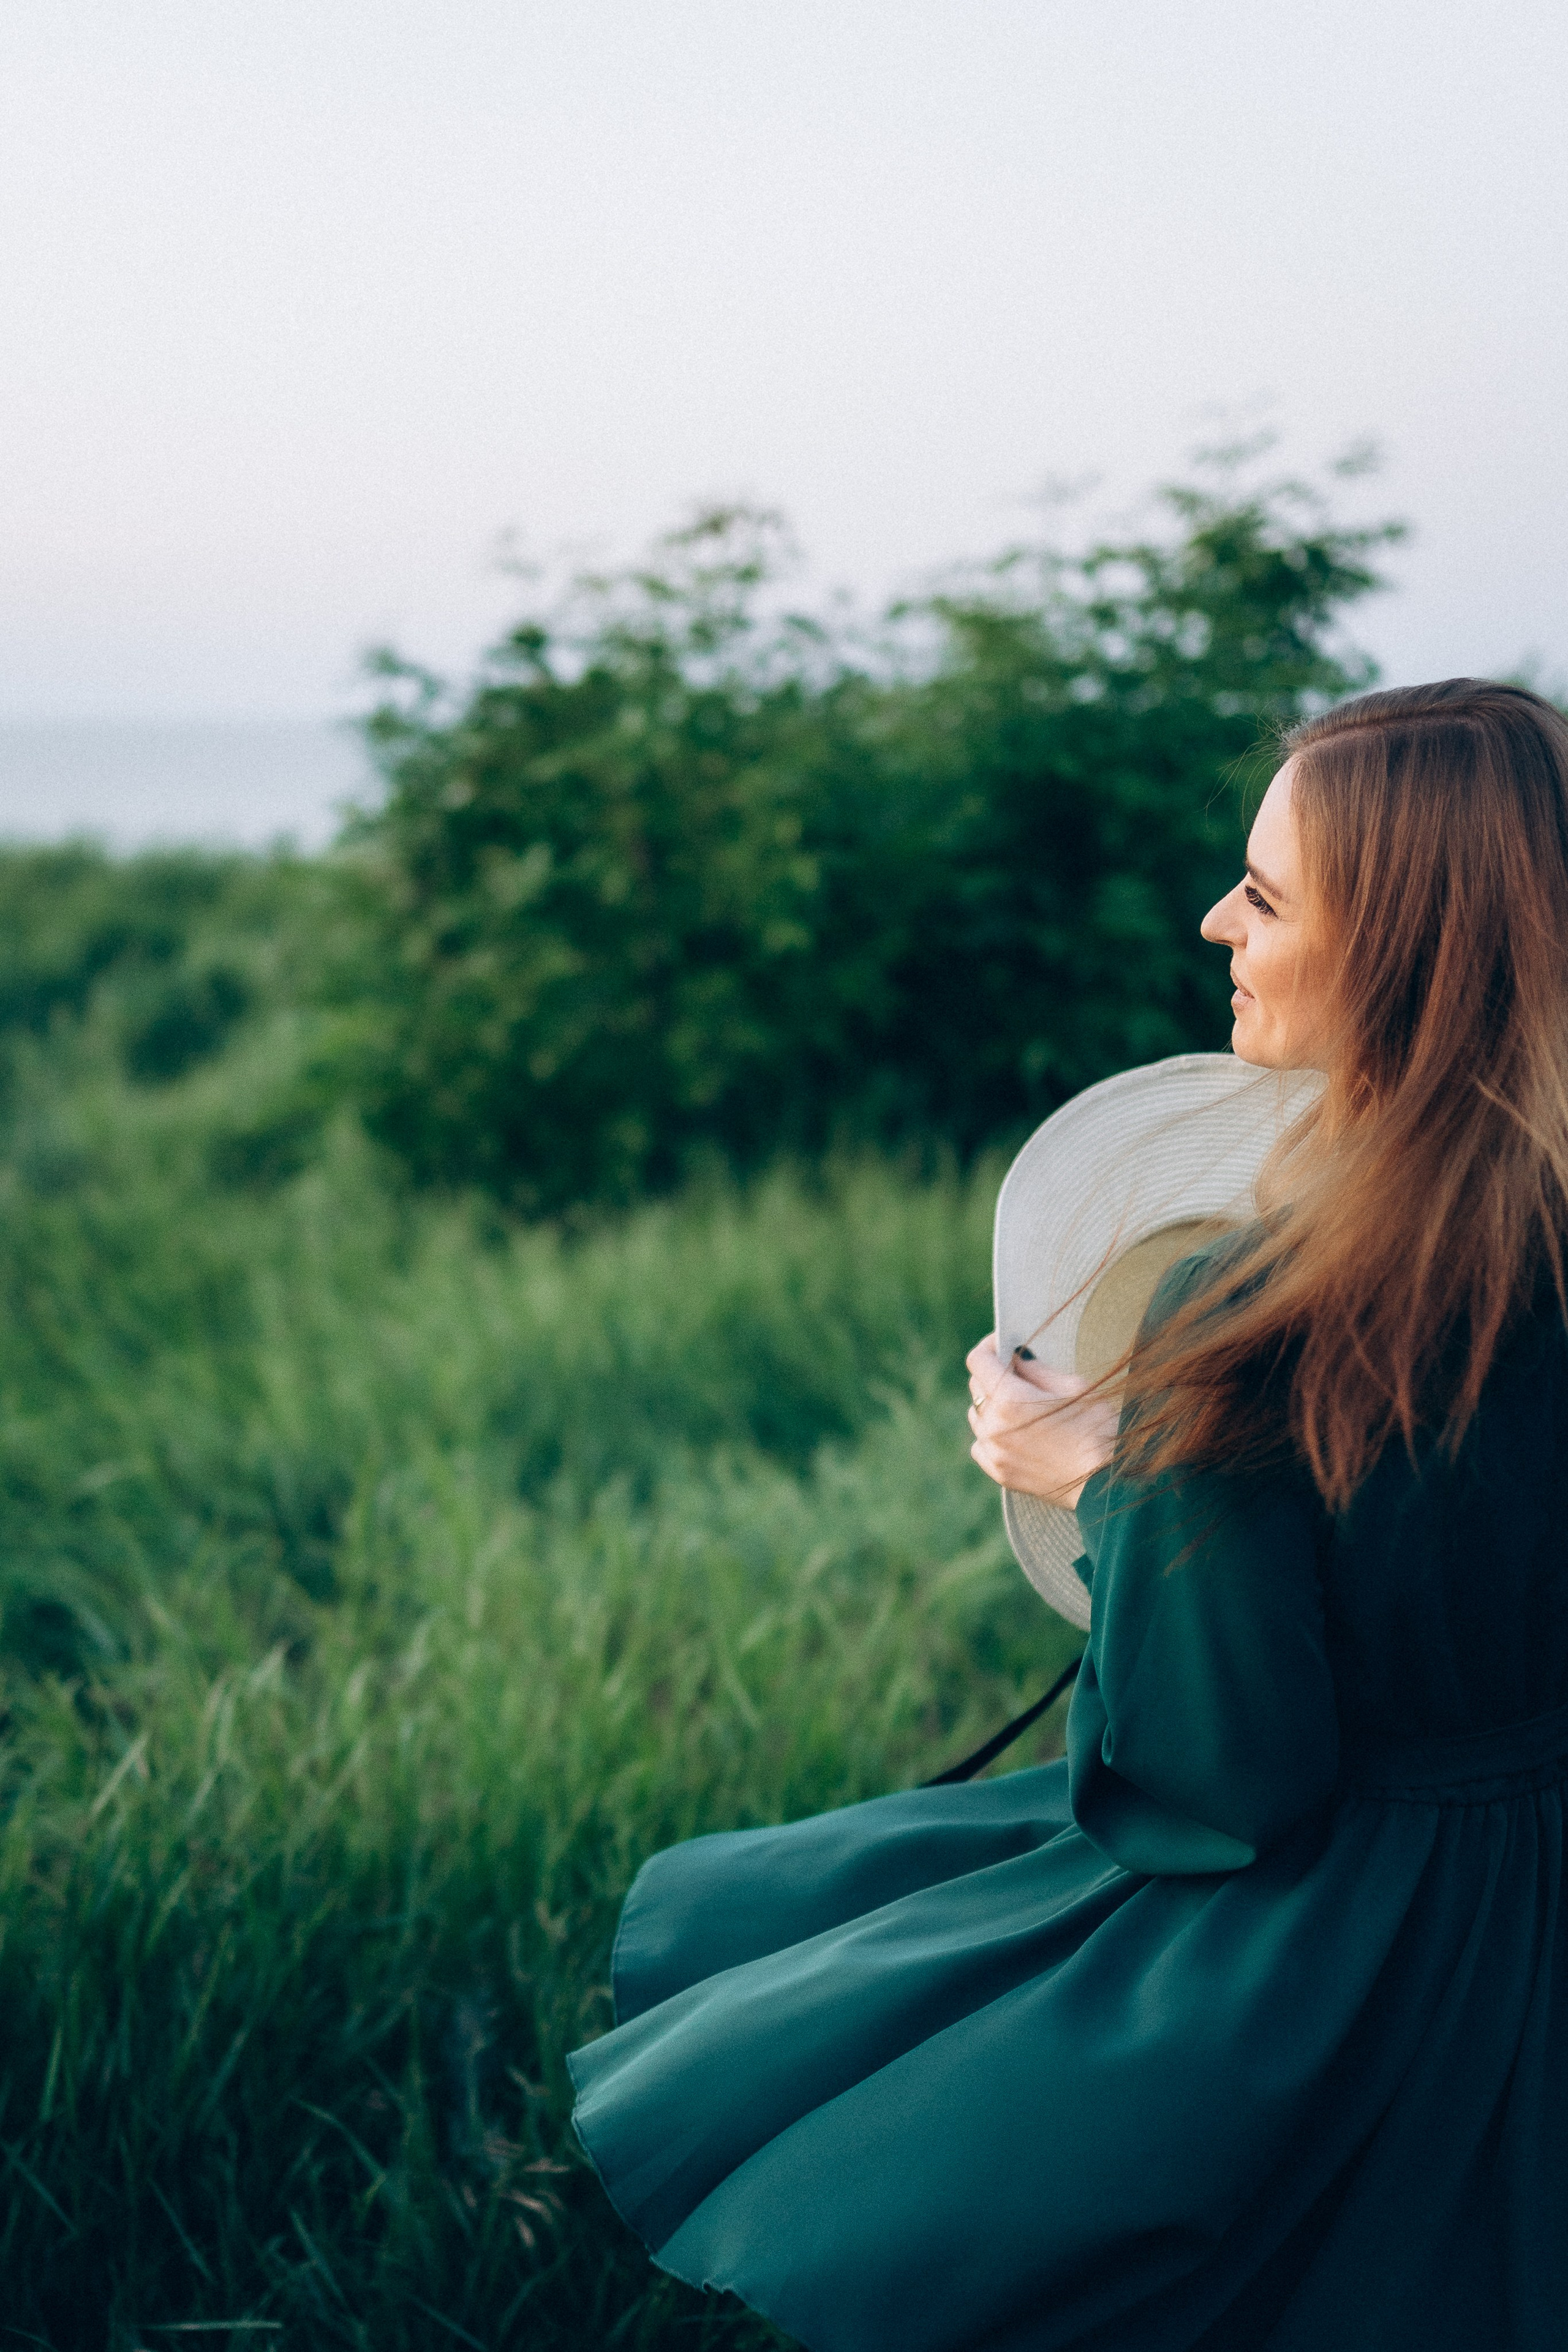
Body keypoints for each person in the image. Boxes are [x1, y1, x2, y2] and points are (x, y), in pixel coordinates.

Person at [568, 679, 1568, 2351]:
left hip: (1378, 1937)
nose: (1215, 919)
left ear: (1398, 944)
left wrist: (1112, 1481)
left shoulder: (1267, 1318)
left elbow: (1220, 1777)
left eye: (1263, 892)